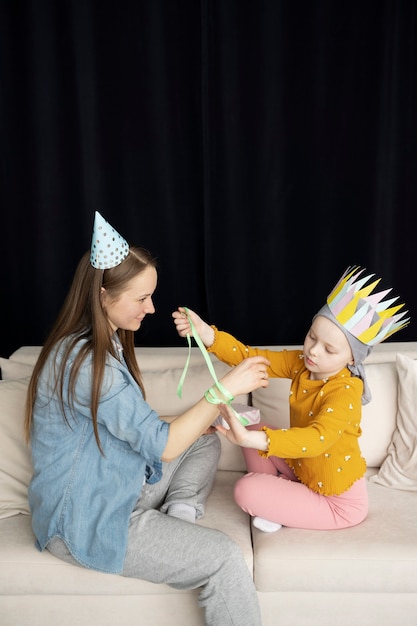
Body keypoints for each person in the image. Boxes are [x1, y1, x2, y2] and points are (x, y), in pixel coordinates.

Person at [24, 212, 270, 626]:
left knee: (204, 438)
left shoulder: (101, 347)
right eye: (141, 298)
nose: (151, 308)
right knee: (225, 557)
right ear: (103, 295)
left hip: (119, 484)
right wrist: (225, 387)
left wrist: (200, 420)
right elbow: (163, 445)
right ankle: (170, 529)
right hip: (86, 519)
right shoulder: (84, 362)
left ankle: (177, 520)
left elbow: (134, 424)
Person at [173, 266, 409, 533]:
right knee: (254, 427)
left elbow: (316, 439)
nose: (313, 352)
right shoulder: (302, 363)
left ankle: (277, 502)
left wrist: (246, 440)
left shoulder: (346, 391)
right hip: (302, 471)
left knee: (245, 489)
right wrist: (207, 334)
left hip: (337, 503)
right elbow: (251, 357)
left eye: (329, 349)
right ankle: (281, 500)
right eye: (312, 337)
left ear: (352, 358)